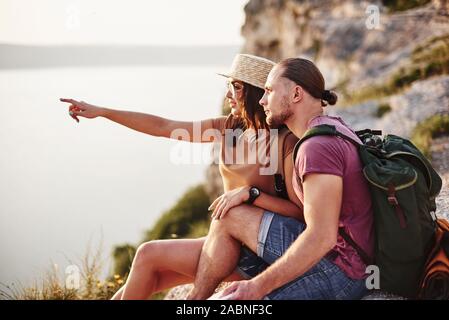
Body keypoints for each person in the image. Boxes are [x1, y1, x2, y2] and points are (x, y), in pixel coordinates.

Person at [60, 54, 303, 300]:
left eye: (236, 87)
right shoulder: (230, 128)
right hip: (225, 243)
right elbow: (163, 127)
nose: (228, 94)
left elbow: (299, 213)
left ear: (257, 93)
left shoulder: (283, 141)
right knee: (147, 261)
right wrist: (102, 112)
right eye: (228, 86)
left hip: (258, 250)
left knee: (149, 258)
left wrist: (250, 196)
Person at [190, 58, 374, 300]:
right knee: (231, 214)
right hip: (344, 258)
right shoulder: (330, 127)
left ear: (296, 93)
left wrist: (257, 286)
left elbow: (322, 237)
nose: (263, 100)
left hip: (341, 271)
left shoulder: (316, 147)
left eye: (268, 91)